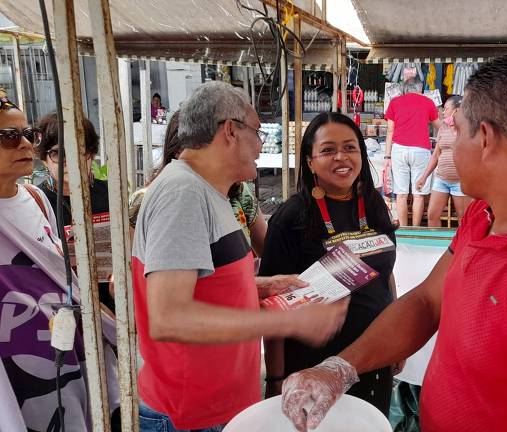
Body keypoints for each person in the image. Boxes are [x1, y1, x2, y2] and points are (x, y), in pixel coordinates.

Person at [281, 53, 507, 432]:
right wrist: (340, 368)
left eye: (454, 129)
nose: (444, 141)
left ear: (485, 138)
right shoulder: (485, 213)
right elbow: (428, 301)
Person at [131, 81, 348, 432]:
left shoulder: (207, 190)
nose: (261, 145)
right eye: (257, 132)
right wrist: (291, 323)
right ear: (230, 130)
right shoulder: (181, 193)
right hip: (191, 415)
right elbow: (168, 317)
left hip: (219, 407)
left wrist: (261, 286)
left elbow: (204, 282)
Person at [259, 112, 399, 414]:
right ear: (310, 161)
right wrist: (275, 378)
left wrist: (395, 333)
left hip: (373, 359)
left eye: (350, 147)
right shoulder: (292, 217)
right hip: (313, 365)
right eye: (327, 150)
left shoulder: (374, 206)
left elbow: (385, 274)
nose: (341, 157)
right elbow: (270, 303)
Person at [0, 91, 120, 431]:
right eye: (9, 137)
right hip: (13, 378)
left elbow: (59, 275)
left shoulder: (37, 200)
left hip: (65, 360)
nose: (24, 144)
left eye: (28, 134)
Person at [130, 110, 268, 256]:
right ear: (178, 153)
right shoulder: (148, 201)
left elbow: (269, 253)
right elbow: (135, 268)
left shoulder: (239, 193)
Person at [34, 112, 115, 311]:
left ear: (92, 154)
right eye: (58, 153)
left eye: (80, 150)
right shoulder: (36, 201)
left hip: (112, 302)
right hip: (60, 305)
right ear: (44, 159)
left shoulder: (110, 193)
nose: (70, 160)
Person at [384, 77, 442, 226]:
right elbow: (439, 127)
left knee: (401, 194)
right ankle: (415, 228)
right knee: (418, 193)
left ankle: (403, 229)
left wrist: (387, 155)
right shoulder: (428, 102)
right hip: (421, 150)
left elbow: (390, 130)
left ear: (405, 88)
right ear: (420, 89)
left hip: (399, 150)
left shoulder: (395, 102)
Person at [415, 96, 471, 226]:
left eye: (446, 109)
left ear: (456, 111)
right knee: (432, 215)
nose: (443, 112)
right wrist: (424, 177)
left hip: (460, 181)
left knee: (463, 218)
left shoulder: (467, 129)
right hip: (441, 179)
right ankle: (434, 244)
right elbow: (435, 155)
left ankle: (461, 245)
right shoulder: (443, 128)